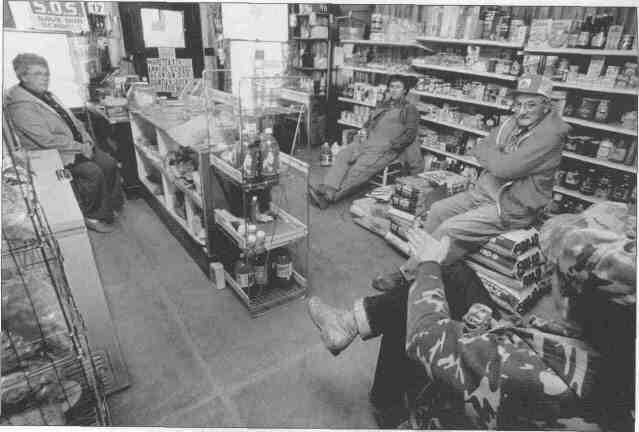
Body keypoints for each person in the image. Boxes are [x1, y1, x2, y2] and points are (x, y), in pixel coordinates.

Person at [308, 214, 636, 429]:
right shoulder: (614, 352)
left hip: (459, 414)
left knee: (418, 301)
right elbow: (536, 341)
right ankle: (352, 323)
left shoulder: (552, 378)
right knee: (457, 274)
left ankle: (388, 406)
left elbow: (426, 337)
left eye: (554, 273)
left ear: (568, 296)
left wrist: (427, 266)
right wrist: (493, 325)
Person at [373, 74, 572, 290]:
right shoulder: (513, 123)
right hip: (485, 193)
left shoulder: (550, 135)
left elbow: (504, 169)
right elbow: (478, 146)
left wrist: (497, 156)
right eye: (518, 104)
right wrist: (498, 156)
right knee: (438, 209)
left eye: (531, 105)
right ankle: (420, 264)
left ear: (546, 106)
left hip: (511, 207)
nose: (522, 111)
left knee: (449, 228)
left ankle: (409, 277)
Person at [5, 53, 124, 233]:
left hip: (76, 147)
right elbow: (46, 140)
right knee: (92, 171)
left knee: (109, 163)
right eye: (38, 74)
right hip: (54, 156)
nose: (45, 78)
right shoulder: (20, 106)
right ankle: (93, 215)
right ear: (23, 77)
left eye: (46, 74)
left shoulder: (47, 95)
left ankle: (110, 205)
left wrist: (86, 138)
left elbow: (74, 121)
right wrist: (80, 147)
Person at [308, 75, 424, 209]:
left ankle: (331, 197)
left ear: (405, 90)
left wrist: (392, 146)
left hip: (384, 148)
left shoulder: (409, 109)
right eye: (391, 87)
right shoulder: (384, 104)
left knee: (359, 169)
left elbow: (410, 134)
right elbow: (369, 122)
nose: (394, 90)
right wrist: (363, 130)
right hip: (367, 141)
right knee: (343, 155)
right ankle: (328, 187)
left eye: (398, 87)